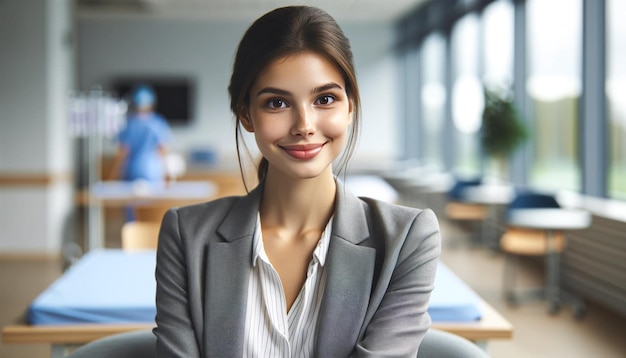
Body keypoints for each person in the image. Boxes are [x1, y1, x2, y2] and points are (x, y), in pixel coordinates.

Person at [154, 6, 441, 357]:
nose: (304, 125)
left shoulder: (408, 239)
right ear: (246, 114)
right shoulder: (186, 236)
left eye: (325, 99)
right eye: (277, 102)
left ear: (350, 106)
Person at [109, 85, 172, 184]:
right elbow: (162, 149)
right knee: (155, 199)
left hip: (131, 171)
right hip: (152, 172)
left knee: (129, 199)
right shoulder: (158, 123)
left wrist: (112, 178)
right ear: (152, 103)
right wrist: (168, 174)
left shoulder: (128, 123)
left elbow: (122, 151)